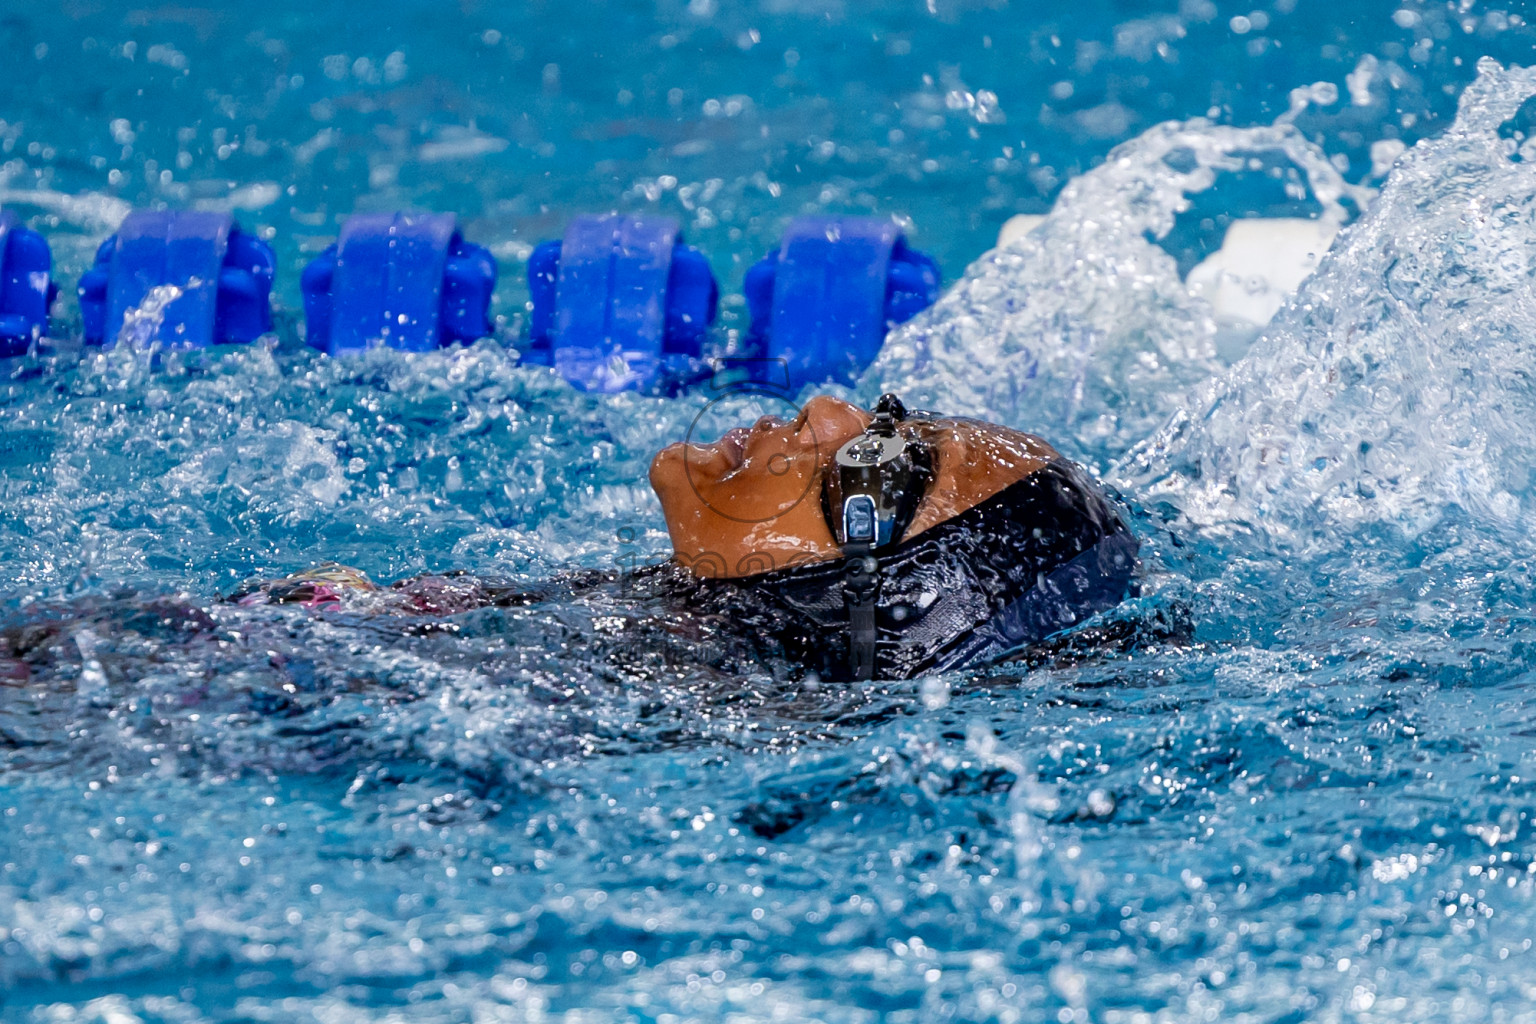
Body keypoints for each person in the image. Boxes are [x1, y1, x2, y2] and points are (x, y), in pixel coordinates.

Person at [238, 394, 1139, 682]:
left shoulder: (624, 680)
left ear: (857, 594)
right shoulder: (642, 635)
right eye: (892, 414)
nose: (829, 409)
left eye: (876, 460)